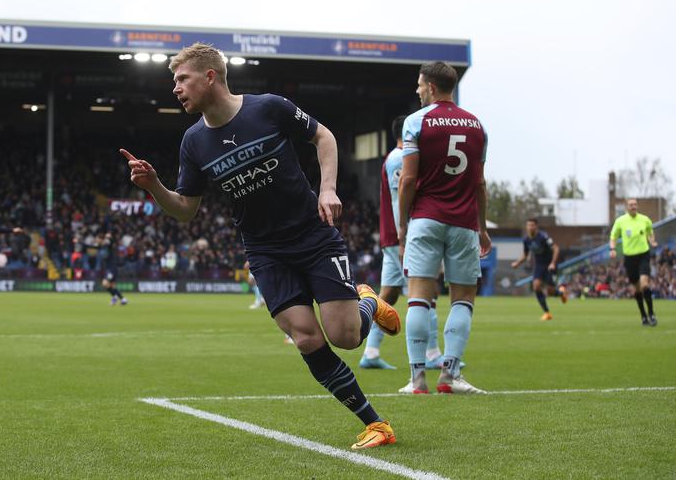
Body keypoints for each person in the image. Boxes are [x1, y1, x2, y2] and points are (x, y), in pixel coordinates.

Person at [120, 43, 400, 450]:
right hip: (265, 252)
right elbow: (184, 210)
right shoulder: (193, 142)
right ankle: (376, 423)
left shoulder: (267, 107)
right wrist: (154, 187)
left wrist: (327, 189)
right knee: (305, 338)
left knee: (345, 336)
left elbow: (324, 136)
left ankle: (368, 301)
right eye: (174, 81)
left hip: (313, 236)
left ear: (210, 76)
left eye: (182, 79)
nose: (176, 89)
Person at [398, 61, 490, 395]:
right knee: (463, 299)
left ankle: (418, 378)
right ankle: (450, 374)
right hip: (464, 222)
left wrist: (402, 225)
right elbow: (480, 183)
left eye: (420, 85)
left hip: (425, 218)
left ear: (432, 87)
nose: (417, 90)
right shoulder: (477, 126)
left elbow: (408, 179)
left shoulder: (416, 122)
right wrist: (481, 227)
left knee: (419, 297)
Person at [359, 116, 445, 373]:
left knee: (388, 295)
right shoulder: (399, 159)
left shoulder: (396, 158)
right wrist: (405, 238)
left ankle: (371, 352)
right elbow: (399, 201)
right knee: (425, 292)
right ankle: (432, 353)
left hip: (393, 237)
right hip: (401, 238)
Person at [610, 198, 658, 326]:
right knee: (636, 289)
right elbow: (613, 237)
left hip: (643, 255)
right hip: (629, 258)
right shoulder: (620, 221)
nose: (633, 207)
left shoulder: (645, 219)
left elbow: (650, 232)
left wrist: (652, 240)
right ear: (626, 207)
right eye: (631, 205)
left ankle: (652, 314)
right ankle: (643, 316)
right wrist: (613, 249)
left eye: (635, 204)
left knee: (644, 285)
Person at [511, 218, 567, 320]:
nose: (530, 227)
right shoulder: (526, 240)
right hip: (539, 265)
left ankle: (561, 293)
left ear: (536, 227)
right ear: (526, 227)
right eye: (529, 225)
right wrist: (517, 263)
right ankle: (547, 313)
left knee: (550, 291)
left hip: (549, 264)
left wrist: (553, 263)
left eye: (532, 225)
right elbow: (525, 254)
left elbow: (556, 248)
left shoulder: (543, 237)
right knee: (536, 286)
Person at [100, 232, 128, 306]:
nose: (106, 239)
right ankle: (122, 299)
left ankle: (115, 297)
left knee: (105, 283)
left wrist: (109, 238)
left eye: (107, 238)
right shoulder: (104, 247)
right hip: (110, 268)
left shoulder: (110, 246)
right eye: (105, 237)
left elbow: (110, 242)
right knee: (112, 286)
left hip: (111, 269)